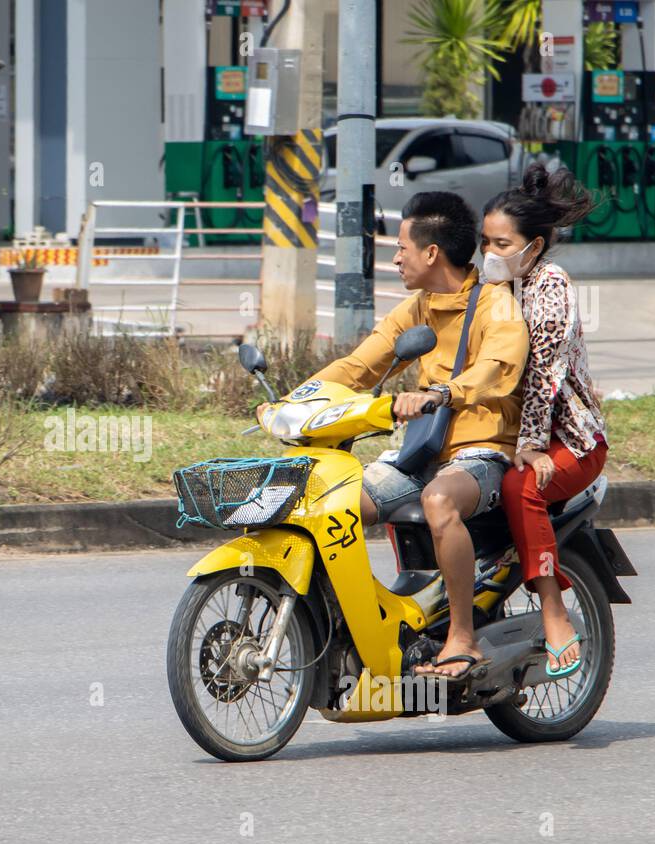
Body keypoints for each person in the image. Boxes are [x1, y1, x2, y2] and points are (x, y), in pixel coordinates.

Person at [259, 192, 529, 681]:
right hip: (421, 451)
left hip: (481, 451)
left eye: (402, 247)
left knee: (440, 500)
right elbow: (359, 367)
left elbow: (497, 369)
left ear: (432, 253)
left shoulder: (496, 304)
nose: (395, 257)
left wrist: (443, 393)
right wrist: (294, 403)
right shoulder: (418, 308)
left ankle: (463, 637)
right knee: (331, 505)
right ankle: (356, 626)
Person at [484, 164, 605, 678]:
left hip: (571, 441)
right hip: (515, 431)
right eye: (485, 240)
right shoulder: (501, 287)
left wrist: (532, 445)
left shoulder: (549, 285)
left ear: (532, 246)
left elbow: (543, 374)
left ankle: (554, 614)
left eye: (502, 242)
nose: (490, 252)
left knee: (521, 488)